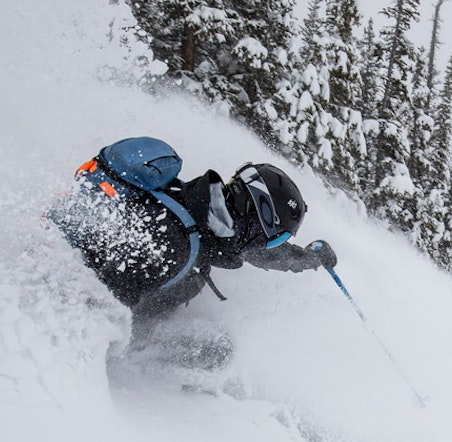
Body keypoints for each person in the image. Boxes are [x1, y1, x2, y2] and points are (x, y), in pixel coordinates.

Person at [47, 137, 337, 321]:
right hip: (55, 301)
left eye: (273, 242)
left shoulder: (191, 205)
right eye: (270, 238)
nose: (262, 246)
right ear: (252, 216)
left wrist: (306, 258)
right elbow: (96, 312)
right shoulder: (176, 246)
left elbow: (252, 252)